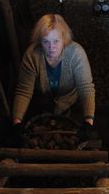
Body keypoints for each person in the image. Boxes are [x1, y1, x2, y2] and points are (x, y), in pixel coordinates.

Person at [12, 14, 96, 142]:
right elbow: (24, 90)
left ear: (64, 39)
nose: (51, 47)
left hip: (67, 100)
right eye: (46, 42)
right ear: (40, 41)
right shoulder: (32, 55)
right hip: (41, 99)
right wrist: (17, 121)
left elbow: (86, 88)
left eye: (56, 41)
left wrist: (88, 121)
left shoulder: (76, 53)